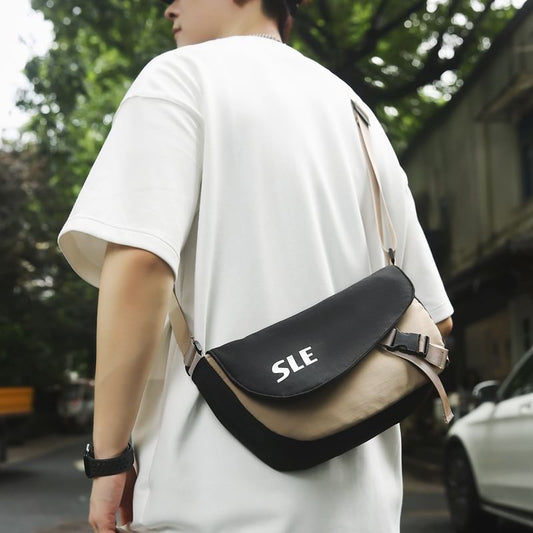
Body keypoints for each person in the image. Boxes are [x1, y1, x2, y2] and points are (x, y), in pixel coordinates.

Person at [57, 0, 454, 531]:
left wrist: (108, 459)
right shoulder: (357, 112)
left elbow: (141, 263)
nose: (168, 7)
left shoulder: (179, 77)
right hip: (364, 509)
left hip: (211, 500)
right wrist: (327, 397)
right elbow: (433, 318)